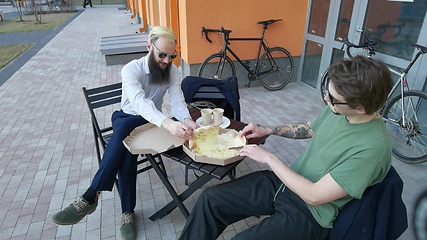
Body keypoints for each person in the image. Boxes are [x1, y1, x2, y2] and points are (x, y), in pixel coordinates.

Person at [179, 55, 395, 240]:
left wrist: (270, 158)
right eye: (327, 92)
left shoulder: (372, 149)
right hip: (288, 182)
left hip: (312, 212)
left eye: (334, 99)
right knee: (211, 200)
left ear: (361, 108)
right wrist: (268, 130)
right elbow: (309, 128)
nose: (327, 100)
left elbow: (315, 195)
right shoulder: (338, 110)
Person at [52, 26, 198, 240]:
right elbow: (139, 103)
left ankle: (91, 196)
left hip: (151, 122)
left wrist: (186, 120)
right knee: (126, 142)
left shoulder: (172, 71)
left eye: (172, 56)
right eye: (162, 55)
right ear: (149, 47)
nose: (167, 60)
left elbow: (177, 101)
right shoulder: (132, 69)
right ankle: (126, 212)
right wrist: (167, 124)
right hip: (128, 117)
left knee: (125, 147)